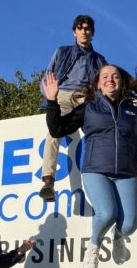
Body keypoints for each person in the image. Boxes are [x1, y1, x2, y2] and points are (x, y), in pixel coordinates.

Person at [42, 65, 137, 268]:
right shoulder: (89, 107)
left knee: (129, 225)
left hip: (127, 173)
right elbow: (57, 129)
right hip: (96, 170)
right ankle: (94, 245)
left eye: (115, 76)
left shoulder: (133, 111)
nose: (110, 79)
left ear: (122, 81)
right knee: (107, 213)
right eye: (105, 76)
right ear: (98, 83)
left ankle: (118, 237)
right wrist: (51, 101)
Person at [39, 14, 107, 202]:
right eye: (80, 28)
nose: (84, 31)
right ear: (74, 32)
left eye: (87, 28)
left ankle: (101, 176)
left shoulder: (99, 60)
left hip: (86, 97)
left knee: (97, 131)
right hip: (63, 93)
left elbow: (106, 84)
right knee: (54, 132)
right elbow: (48, 76)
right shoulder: (62, 52)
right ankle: (48, 181)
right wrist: (49, 96)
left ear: (92, 33)